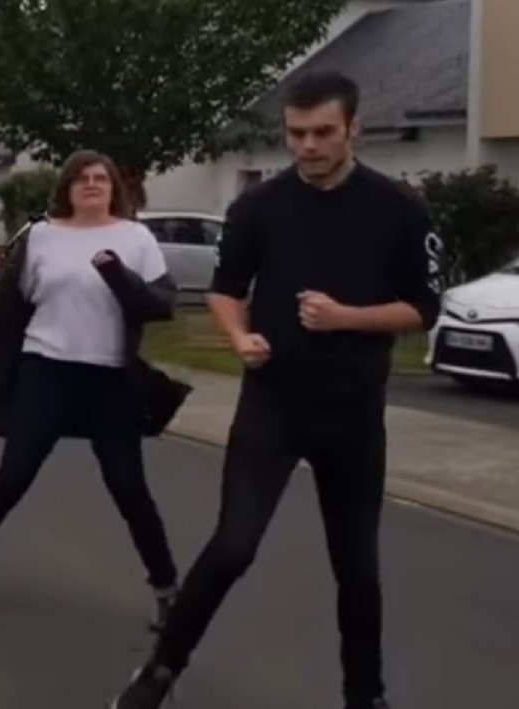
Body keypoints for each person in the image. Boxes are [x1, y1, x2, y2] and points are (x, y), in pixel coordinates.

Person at [110, 72, 443, 709]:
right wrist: (238, 336)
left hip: (352, 412)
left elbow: (423, 308)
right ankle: (158, 672)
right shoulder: (258, 207)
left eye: (323, 132)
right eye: (296, 134)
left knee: (356, 566)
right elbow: (225, 291)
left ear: (353, 128)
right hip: (274, 404)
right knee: (233, 545)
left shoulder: (399, 209)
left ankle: (364, 695)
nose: (308, 146)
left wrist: (347, 318)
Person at [0, 150, 180, 627]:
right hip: (46, 368)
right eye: (81, 178)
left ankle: (166, 589)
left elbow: (160, 306)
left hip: (109, 377)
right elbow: (7, 307)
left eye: (100, 178)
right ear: (66, 188)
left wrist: (116, 274)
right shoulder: (41, 236)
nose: (91, 184)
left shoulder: (136, 237)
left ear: (114, 188)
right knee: (14, 475)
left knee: (128, 486)